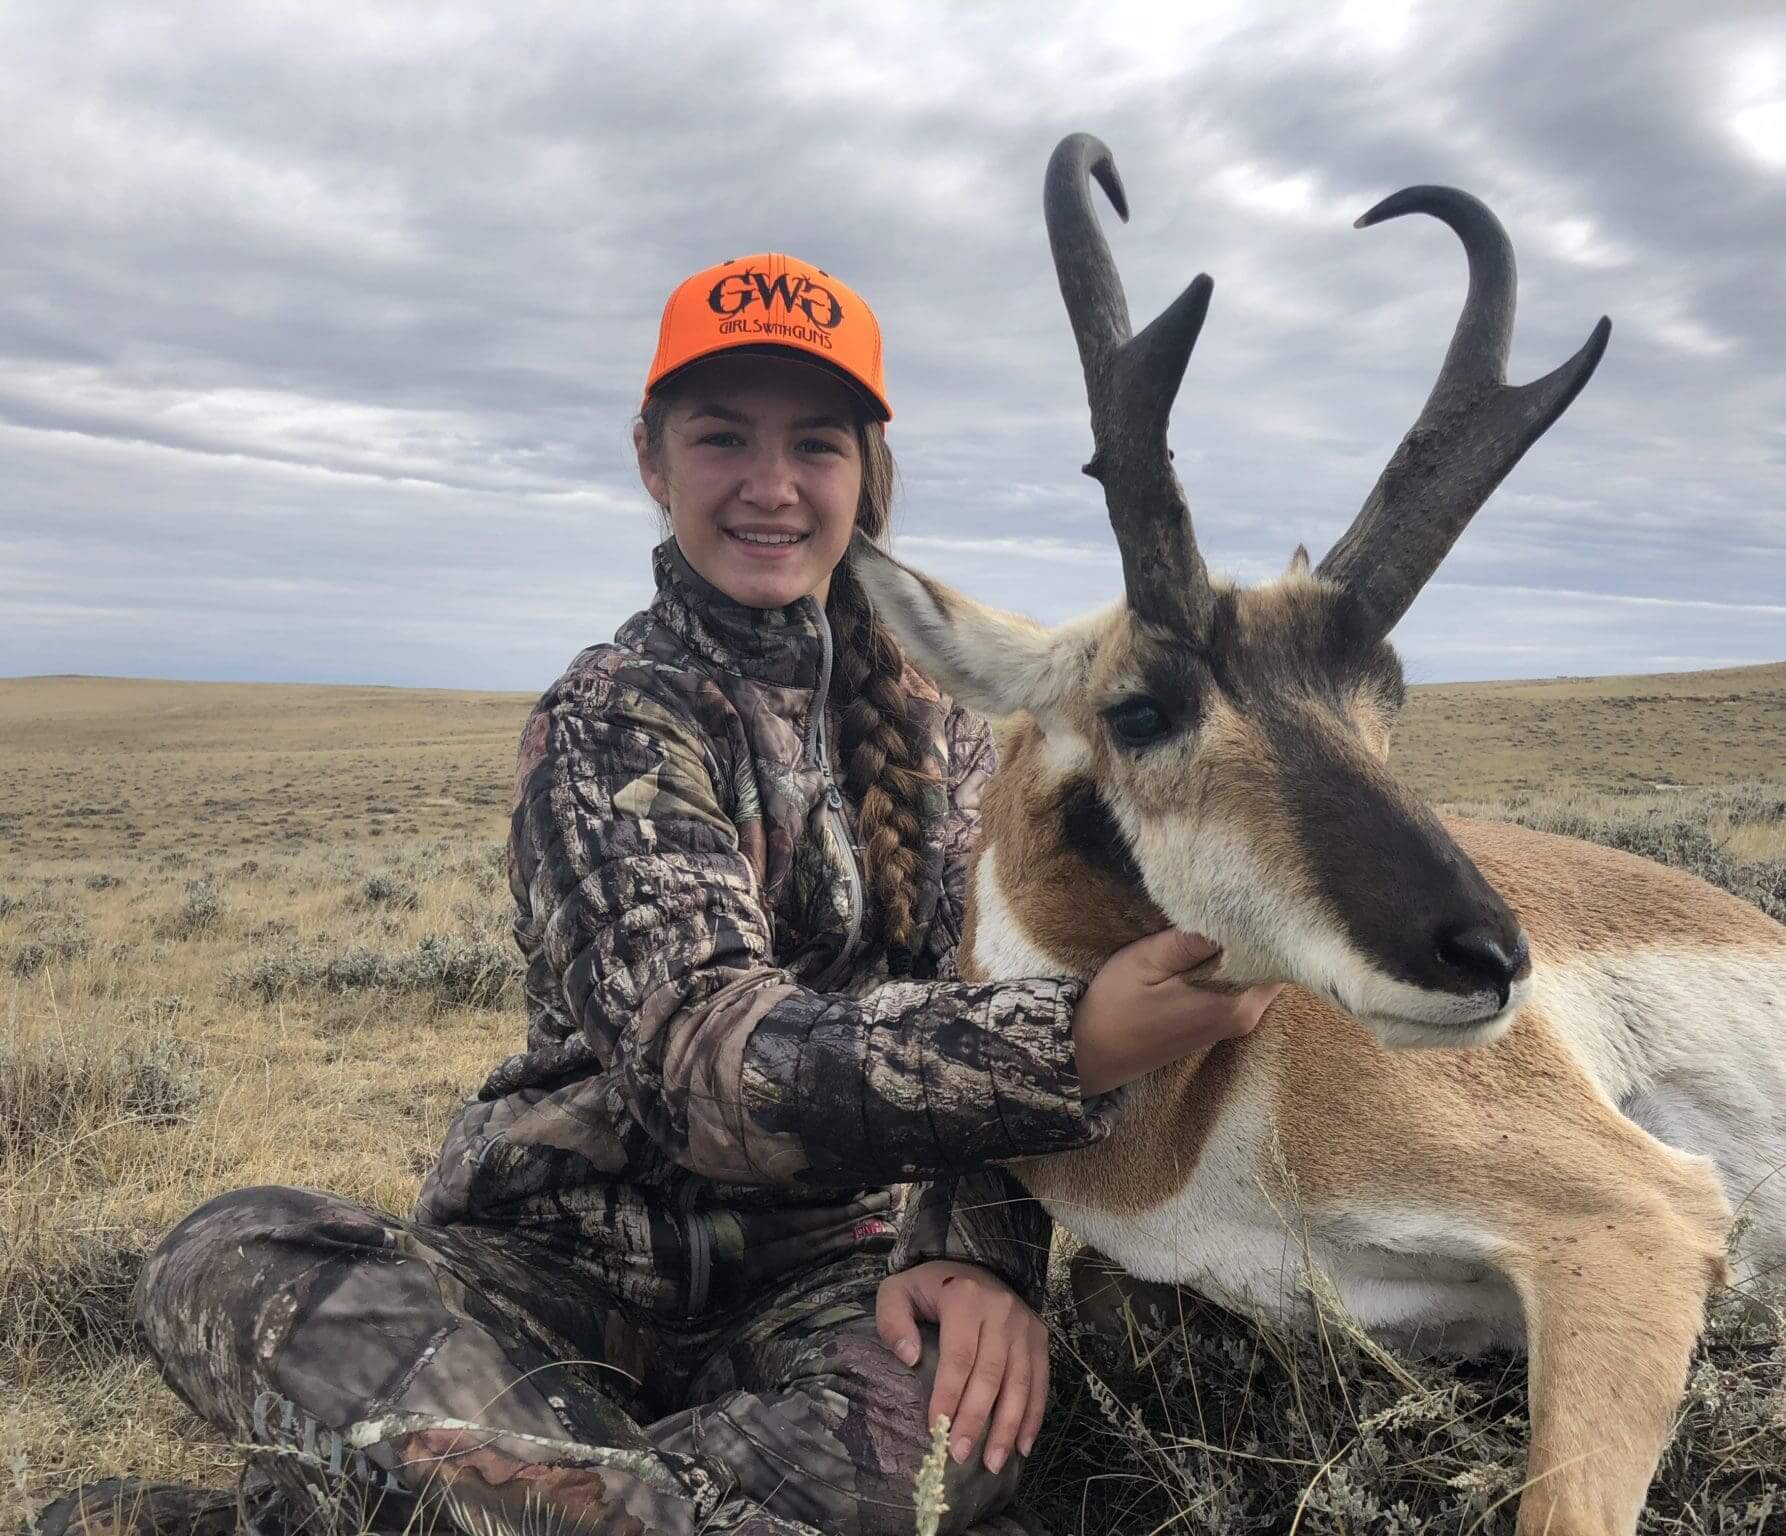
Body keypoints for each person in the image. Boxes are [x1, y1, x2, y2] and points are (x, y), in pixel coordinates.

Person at [43, 253, 1275, 1536]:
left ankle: (398, 1509)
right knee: (231, 1258)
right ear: (652, 460)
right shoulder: (608, 719)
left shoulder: (960, 740)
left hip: (831, 1279)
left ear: (866, 471)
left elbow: (986, 1014)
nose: (770, 484)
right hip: (550, 1267)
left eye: (813, 444)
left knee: (955, 1434)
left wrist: (975, 1255)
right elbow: (703, 1067)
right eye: (721, 437)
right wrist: (1072, 1044)